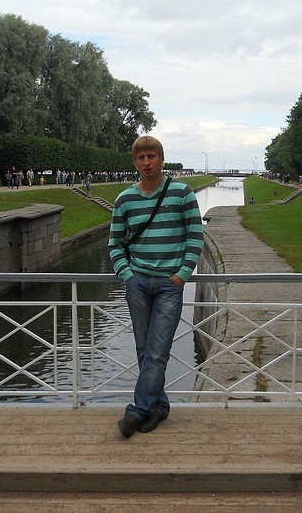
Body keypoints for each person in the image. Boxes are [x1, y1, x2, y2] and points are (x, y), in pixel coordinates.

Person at [108, 136, 204, 438]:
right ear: (135, 162)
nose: (146, 162)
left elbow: (195, 236)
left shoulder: (182, 193)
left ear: (161, 159)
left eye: (151, 156)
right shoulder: (125, 199)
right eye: (141, 157)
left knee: (158, 350)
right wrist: (127, 275)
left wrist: (182, 274)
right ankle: (159, 406)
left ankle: (137, 410)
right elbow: (115, 244)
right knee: (144, 348)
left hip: (168, 285)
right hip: (137, 282)